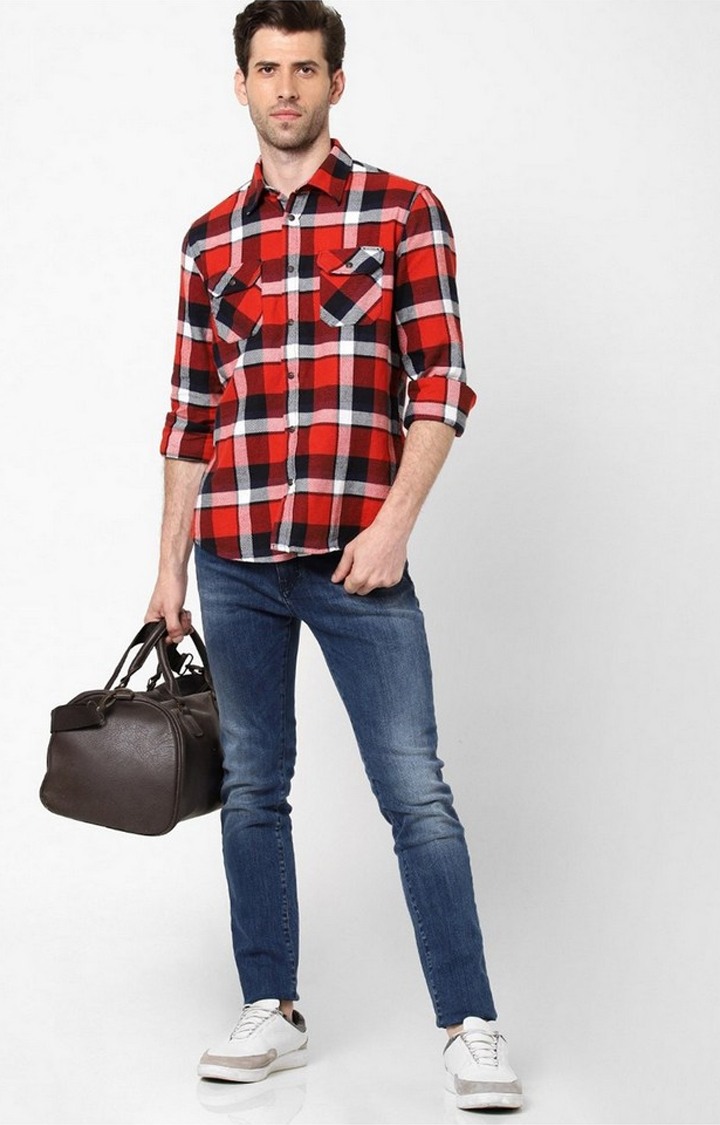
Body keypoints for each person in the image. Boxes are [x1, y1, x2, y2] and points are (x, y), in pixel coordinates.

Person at [145, 0, 523, 1111]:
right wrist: (168, 568)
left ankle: (469, 1024)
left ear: (335, 82)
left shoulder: (403, 210)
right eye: (266, 70)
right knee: (253, 788)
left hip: (361, 558)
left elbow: (442, 383)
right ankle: (274, 1007)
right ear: (241, 84)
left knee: (416, 793)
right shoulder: (209, 240)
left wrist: (394, 526)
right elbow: (191, 416)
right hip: (234, 558)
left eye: (304, 69)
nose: (285, 89)